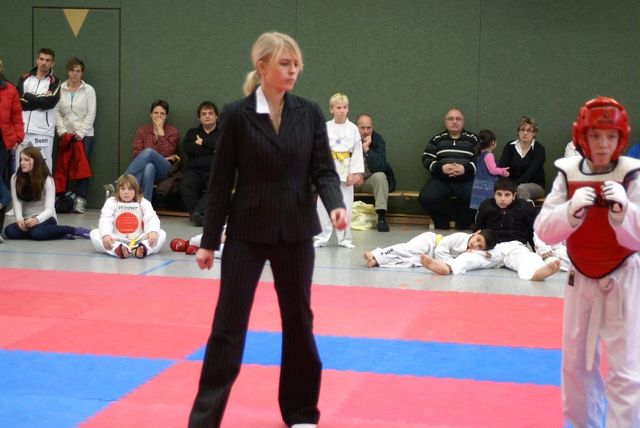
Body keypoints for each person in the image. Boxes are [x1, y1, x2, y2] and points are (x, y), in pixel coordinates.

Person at [188, 32, 347, 428]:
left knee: (299, 323)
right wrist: (209, 241)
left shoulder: (309, 113)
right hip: (246, 232)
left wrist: (336, 205)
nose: (293, 70)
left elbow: (324, 171)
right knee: (228, 326)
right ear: (262, 67)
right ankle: (204, 419)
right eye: (284, 63)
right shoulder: (236, 115)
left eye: (296, 64)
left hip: (296, 232)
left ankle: (301, 412)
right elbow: (220, 182)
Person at [534, 96, 640, 426]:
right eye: (595, 135)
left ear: (620, 138)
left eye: (610, 136)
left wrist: (625, 211)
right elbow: (544, 230)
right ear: (583, 137)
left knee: (626, 371)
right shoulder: (568, 175)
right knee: (576, 366)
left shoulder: (631, 175)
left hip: (622, 279)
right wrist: (570, 210)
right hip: (580, 278)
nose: (603, 144)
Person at [475, 178, 560, 281]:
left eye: (507, 195)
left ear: (514, 195)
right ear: (494, 194)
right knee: (468, 258)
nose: (502, 199)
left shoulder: (523, 206)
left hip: (515, 246)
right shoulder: (486, 205)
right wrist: (471, 246)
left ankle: (536, 273)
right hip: (491, 247)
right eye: (499, 194)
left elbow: (532, 229)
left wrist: (539, 249)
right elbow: (478, 230)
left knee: (528, 258)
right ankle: (454, 268)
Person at [4, 147, 90, 241]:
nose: (22, 163)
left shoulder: (47, 180)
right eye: (21, 159)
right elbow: (17, 202)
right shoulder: (15, 178)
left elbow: (50, 209)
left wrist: (37, 220)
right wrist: (19, 219)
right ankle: (56, 234)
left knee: (37, 233)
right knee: (9, 231)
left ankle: (72, 230)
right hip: (27, 220)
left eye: (26, 160)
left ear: (36, 161)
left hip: (46, 218)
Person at [314, 92, 364, 248]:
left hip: (346, 169)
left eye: (344, 107)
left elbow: (357, 152)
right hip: (328, 168)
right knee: (323, 205)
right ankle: (321, 238)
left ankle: (345, 238)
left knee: (346, 205)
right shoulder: (325, 127)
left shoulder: (353, 129)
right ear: (331, 109)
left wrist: (354, 173)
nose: (342, 110)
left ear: (348, 109)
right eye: (338, 107)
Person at [419, 108, 478, 230]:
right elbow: (426, 158)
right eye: (450, 119)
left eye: (458, 119)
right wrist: (441, 168)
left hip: (466, 180)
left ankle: (462, 223)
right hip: (441, 180)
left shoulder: (473, 139)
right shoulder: (437, 139)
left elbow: (482, 159)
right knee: (425, 198)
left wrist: (465, 168)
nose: (454, 121)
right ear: (445, 122)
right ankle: (442, 222)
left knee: (480, 199)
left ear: (463, 122)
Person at [54, 57, 97, 213]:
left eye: (78, 71)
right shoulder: (60, 89)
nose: (75, 73)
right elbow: (56, 112)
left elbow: (91, 113)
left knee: (82, 168)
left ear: (82, 73)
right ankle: (62, 198)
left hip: (84, 137)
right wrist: (62, 131)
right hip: (66, 136)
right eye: (72, 70)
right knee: (63, 166)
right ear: (68, 72)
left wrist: (80, 133)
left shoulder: (89, 90)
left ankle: (81, 199)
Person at [89, 174, 166, 258]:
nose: (126, 192)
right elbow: (105, 218)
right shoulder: (111, 201)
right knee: (94, 233)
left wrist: (153, 232)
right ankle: (118, 249)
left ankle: (142, 248)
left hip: (138, 239)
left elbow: (151, 217)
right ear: (118, 190)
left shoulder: (143, 202)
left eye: (130, 189)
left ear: (136, 190)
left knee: (161, 233)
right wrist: (106, 235)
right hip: (117, 239)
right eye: (122, 189)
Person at [123, 99, 179, 202]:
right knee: (149, 167)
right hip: (146, 169)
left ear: (166, 116)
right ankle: (145, 205)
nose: (159, 116)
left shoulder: (172, 131)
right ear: (151, 115)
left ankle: (123, 183)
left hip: (164, 169)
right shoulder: (142, 130)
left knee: (149, 152)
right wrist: (152, 158)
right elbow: (137, 155)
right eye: (156, 113)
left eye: (162, 113)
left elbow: (168, 152)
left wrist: (161, 132)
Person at [16, 48, 61, 172]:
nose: (44, 63)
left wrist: (27, 95)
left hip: (43, 131)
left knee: (43, 168)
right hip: (23, 129)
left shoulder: (55, 81)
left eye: (48, 60)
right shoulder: (25, 78)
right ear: (37, 60)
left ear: (52, 63)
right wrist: (40, 100)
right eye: (41, 59)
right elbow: (18, 101)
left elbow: (49, 103)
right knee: (20, 167)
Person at [364, 229, 496, 269]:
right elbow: (440, 250)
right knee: (408, 250)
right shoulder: (460, 237)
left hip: (431, 256)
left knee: (410, 262)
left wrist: (481, 253)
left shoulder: (472, 252)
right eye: (478, 240)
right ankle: (376, 253)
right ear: (476, 232)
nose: (475, 245)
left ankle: (378, 262)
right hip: (430, 242)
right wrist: (448, 263)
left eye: (480, 246)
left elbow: (487, 256)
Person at [353, 113, 396, 232]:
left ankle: (381, 217)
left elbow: (380, 167)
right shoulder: (348, 139)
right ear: (356, 127)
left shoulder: (377, 140)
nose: (366, 131)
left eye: (369, 128)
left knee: (380, 176)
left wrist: (366, 148)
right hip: (351, 180)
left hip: (368, 180)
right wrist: (353, 176)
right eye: (362, 128)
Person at [179, 101, 220, 226]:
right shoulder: (192, 133)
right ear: (199, 118)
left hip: (216, 171)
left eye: (210, 113)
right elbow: (188, 149)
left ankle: (198, 214)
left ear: (216, 116)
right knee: (185, 185)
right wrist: (213, 149)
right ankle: (199, 216)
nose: (207, 116)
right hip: (194, 171)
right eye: (203, 114)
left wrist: (202, 142)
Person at [0, 58, 24, 238]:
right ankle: (6, 198)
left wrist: (18, 138)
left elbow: (17, 116)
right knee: (2, 193)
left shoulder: (9, 89)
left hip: (3, 143)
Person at [498, 116, 546, 201]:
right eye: (522, 130)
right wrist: (506, 184)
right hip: (511, 184)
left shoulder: (539, 149)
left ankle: (522, 209)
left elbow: (530, 173)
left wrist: (513, 186)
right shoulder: (510, 146)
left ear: (534, 133)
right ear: (518, 132)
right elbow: (503, 168)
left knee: (521, 189)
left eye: (529, 130)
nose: (525, 133)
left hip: (535, 185)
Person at [470, 129, 509, 209]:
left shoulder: (479, 155)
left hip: (478, 186)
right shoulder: (489, 155)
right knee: (489, 207)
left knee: (480, 208)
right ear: (493, 142)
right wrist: (502, 171)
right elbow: (493, 170)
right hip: (487, 188)